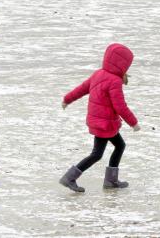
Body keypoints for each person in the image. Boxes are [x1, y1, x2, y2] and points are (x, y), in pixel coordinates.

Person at [59, 43, 141, 193]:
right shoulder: (115, 81)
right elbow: (120, 106)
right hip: (105, 124)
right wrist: (133, 123)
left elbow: (81, 89)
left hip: (100, 121)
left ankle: (111, 180)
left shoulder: (99, 73)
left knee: (119, 146)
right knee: (97, 154)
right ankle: (70, 178)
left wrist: (67, 99)